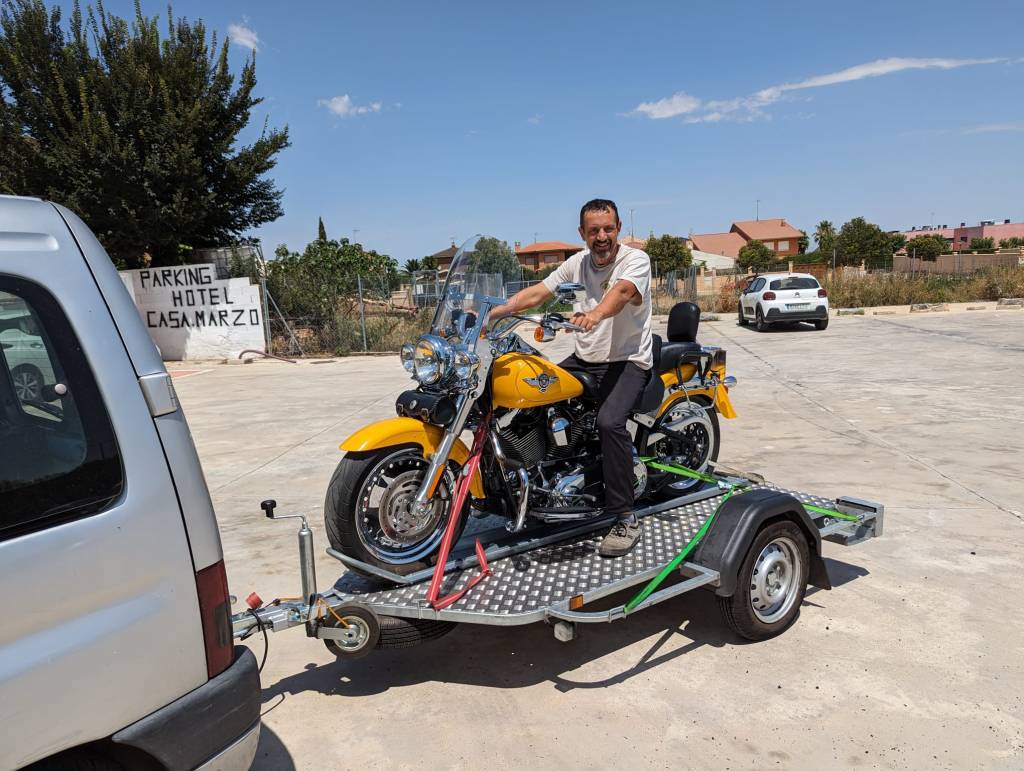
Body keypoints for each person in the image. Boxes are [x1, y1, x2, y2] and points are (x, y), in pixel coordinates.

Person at [491, 198, 653, 557]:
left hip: (627, 361)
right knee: (535, 394)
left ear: (619, 229)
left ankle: (625, 516)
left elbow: (622, 292)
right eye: (593, 230)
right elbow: (540, 292)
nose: (601, 236)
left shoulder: (635, 261)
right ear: (582, 233)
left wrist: (595, 313)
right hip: (586, 357)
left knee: (610, 423)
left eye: (608, 228)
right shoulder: (577, 263)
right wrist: (499, 311)